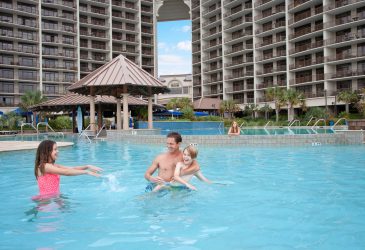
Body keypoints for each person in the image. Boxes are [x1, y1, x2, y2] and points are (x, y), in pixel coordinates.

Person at [34, 140, 102, 198]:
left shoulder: (53, 166)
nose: (58, 151)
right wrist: (86, 172)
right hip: (46, 200)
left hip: (54, 197)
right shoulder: (45, 166)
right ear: (47, 152)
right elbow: (66, 172)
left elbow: (72, 168)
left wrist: (87, 166)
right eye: (55, 149)